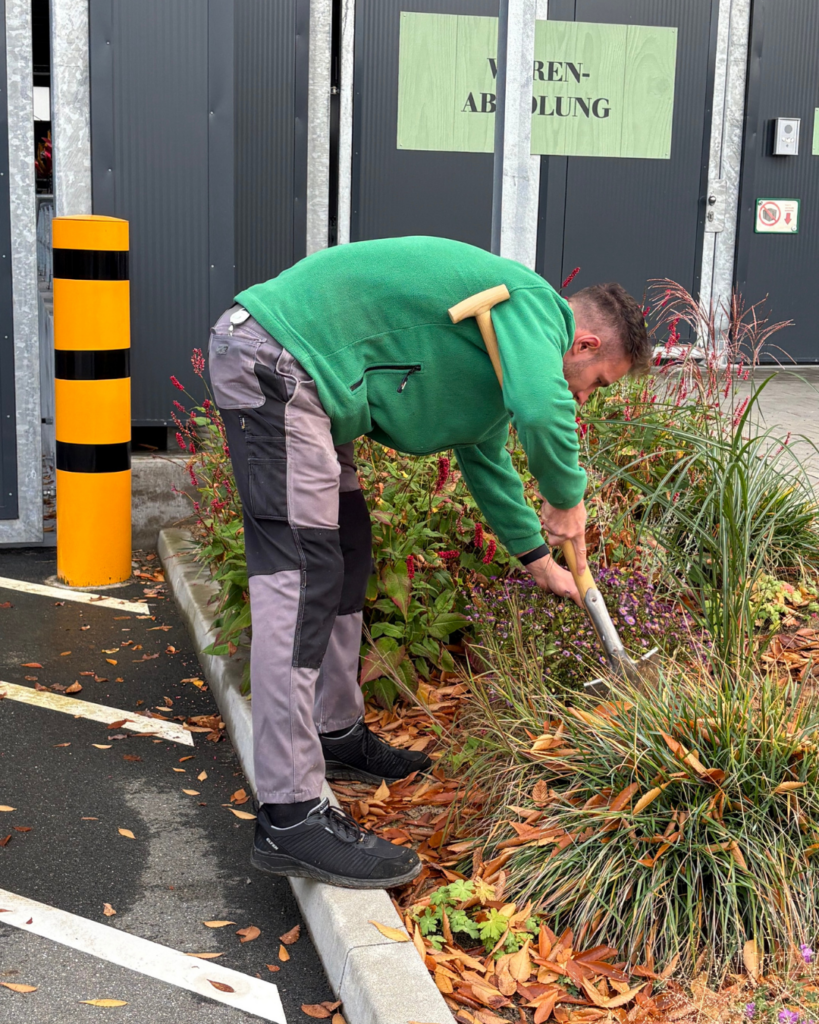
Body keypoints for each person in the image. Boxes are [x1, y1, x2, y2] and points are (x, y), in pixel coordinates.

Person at [208, 235, 651, 889]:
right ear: (584, 343)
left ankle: (334, 732)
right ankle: (290, 815)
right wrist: (566, 499)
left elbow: (486, 459)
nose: (586, 399)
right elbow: (543, 407)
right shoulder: (533, 307)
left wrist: (536, 558)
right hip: (279, 360)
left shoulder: (498, 352)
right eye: (598, 383)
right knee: (301, 581)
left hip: (312, 392)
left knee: (346, 554)